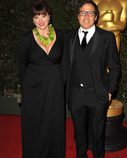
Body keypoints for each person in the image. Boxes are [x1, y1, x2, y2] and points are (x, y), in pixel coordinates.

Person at [63, 0, 121, 158]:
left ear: (96, 17)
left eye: (90, 13)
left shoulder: (106, 37)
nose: (86, 16)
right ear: (78, 16)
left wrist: (110, 90)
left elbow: (115, 67)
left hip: (97, 95)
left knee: (97, 135)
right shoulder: (69, 37)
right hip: (75, 95)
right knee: (79, 134)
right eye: (82, 13)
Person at [18, 0, 65, 158]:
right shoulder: (26, 39)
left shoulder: (60, 36)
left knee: (54, 123)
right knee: (35, 124)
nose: (40, 20)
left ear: (49, 17)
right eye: (36, 16)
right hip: (33, 89)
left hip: (55, 87)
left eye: (43, 15)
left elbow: (65, 61)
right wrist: (24, 91)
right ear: (32, 19)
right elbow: (22, 66)